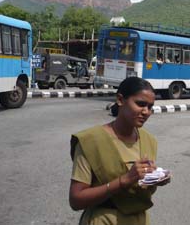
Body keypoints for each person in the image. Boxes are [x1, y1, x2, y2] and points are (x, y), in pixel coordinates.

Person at [69, 77, 169, 225]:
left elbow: (141, 191)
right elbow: (76, 200)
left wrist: (155, 179)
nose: (146, 112)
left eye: (150, 107)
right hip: (104, 220)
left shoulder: (149, 141)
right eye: (140, 104)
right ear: (120, 100)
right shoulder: (91, 141)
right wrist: (123, 181)